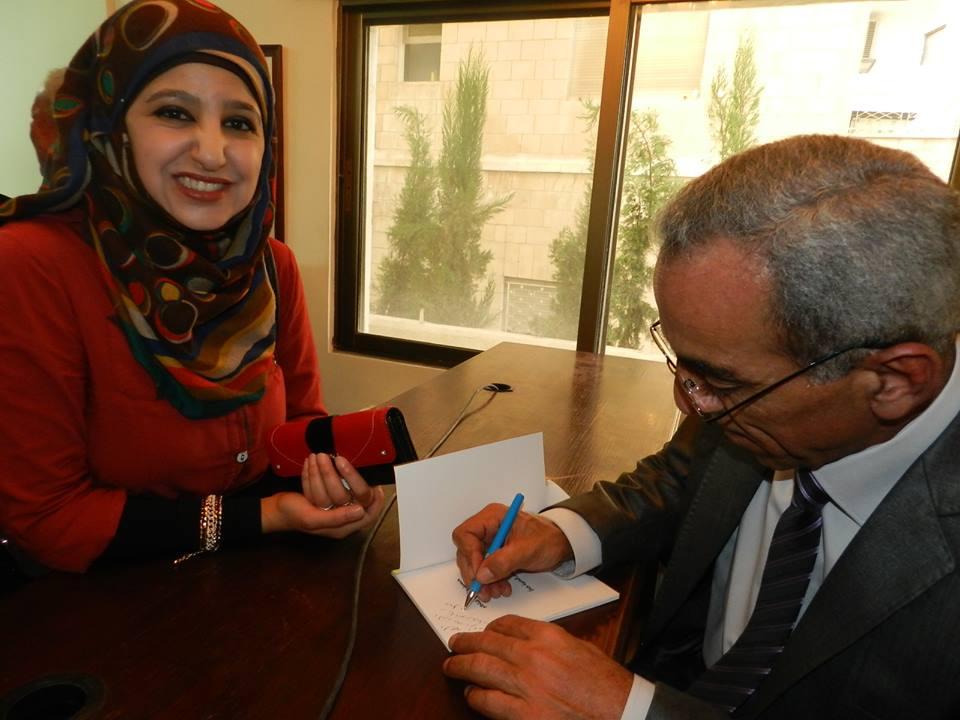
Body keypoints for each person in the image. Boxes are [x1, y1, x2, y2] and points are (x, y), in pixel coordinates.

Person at [443, 134, 960, 719]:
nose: (688, 402)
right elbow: (678, 479)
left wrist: (634, 713)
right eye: (681, 362)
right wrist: (564, 532)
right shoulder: (751, 382)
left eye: (721, 382)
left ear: (893, 381)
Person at [0, 0, 383, 574]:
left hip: (250, 583)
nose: (212, 152)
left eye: (239, 122)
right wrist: (267, 516)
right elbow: (49, 520)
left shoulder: (270, 265)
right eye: (174, 113)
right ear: (108, 128)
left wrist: (334, 482)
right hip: (98, 603)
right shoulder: (30, 264)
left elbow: (300, 428)